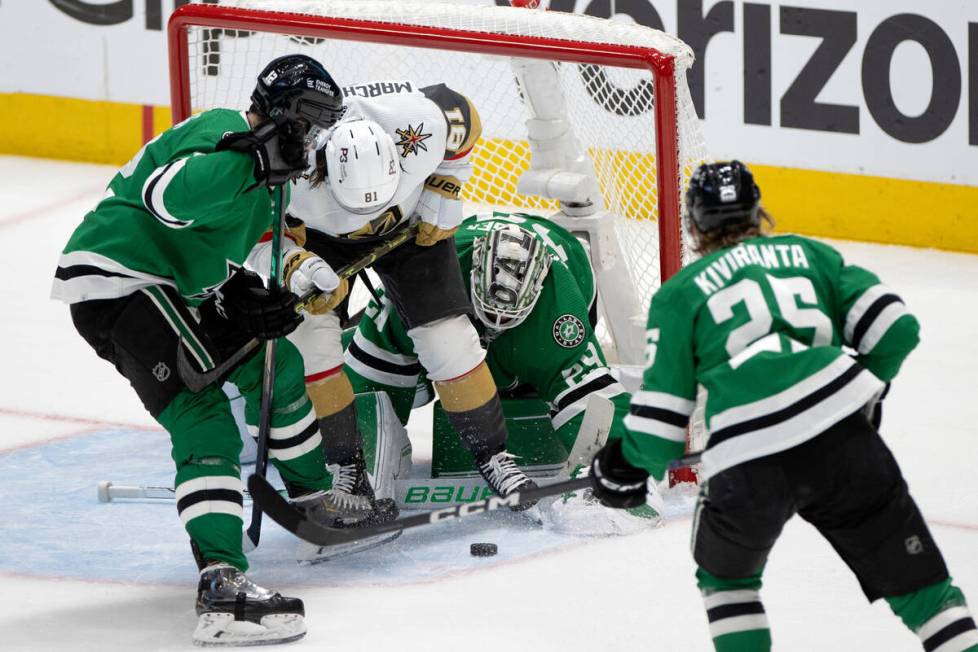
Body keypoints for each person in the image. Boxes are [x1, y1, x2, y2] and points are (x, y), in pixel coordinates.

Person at [588, 161, 978, 651]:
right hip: (845, 443)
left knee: (727, 582)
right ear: (758, 212)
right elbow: (897, 328)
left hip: (748, 463)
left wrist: (621, 465)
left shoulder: (681, 294)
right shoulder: (809, 254)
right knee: (925, 593)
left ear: (692, 225)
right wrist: (862, 390)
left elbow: (662, 422)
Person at [51, 54, 349, 646]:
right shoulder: (220, 132)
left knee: (277, 360)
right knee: (202, 410)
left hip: (170, 285)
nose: (315, 134)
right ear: (283, 110)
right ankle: (221, 583)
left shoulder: (269, 178)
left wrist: (263, 292)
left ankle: (315, 498)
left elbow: (245, 246)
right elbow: (169, 199)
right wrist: (252, 159)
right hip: (120, 280)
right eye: (311, 118)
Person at [248, 82, 539, 520]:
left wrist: (444, 185)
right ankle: (346, 467)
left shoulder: (408, 121)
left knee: (448, 340)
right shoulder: (290, 164)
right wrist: (295, 264)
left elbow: (461, 111)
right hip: (319, 244)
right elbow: (257, 231)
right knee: (310, 345)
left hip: (411, 227)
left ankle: (493, 455)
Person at [343, 211, 661, 532]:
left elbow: (592, 392)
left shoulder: (559, 304)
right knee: (399, 376)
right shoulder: (425, 274)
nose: (495, 330)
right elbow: (369, 375)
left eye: (505, 321)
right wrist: (357, 451)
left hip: (537, 318)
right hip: (454, 294)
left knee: (537, 376)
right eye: (490, 317)